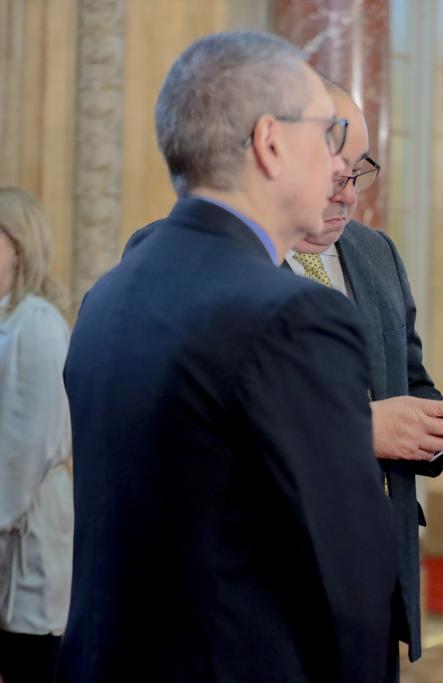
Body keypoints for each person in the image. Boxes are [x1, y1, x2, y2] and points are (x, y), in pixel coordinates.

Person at [59, 31, 397, 683]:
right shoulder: (293, 314)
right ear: (271, 142)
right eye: (328, 136)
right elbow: (348, 576)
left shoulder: (109, 293)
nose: (339, 168)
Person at [284, 80, 443, 680]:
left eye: (359, 174)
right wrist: (362, 429)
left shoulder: (375, 253)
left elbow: (409, 379)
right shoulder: (235, 261)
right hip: (280, 565)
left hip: (375, 566)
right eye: (334, 176)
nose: (349, 196)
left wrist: (434, 423)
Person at [0, 187, 73, 683]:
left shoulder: (37, 323)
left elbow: (27, 447)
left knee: (32, 662)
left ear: (18, 245)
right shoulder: (8, 318)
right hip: (9, 529)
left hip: (29, 533)